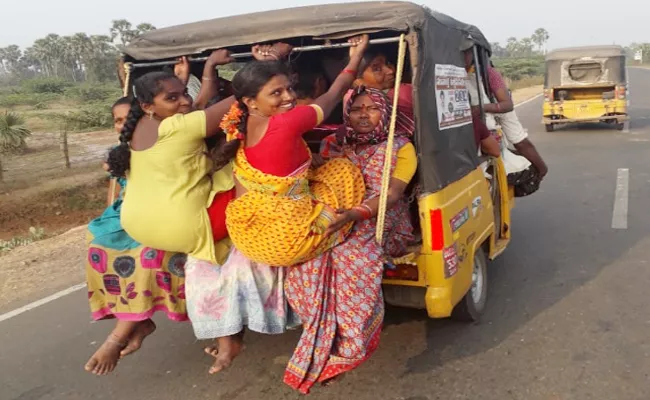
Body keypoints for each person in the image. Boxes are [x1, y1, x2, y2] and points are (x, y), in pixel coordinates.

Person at [284, 87, 417, 394]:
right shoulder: (333, 143)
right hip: (336, 214)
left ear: (385, 113)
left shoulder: (400, 147)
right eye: (357, 108)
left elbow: (392, 194)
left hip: (380, 220)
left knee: (350, 260)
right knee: (305, 260)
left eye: (372, 108)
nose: (364, 115)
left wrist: (352, 216)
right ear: (346, 113)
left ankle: (349, 347)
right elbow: (320, 180)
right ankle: (320, 333)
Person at [214, 35, 371, 267]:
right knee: (342, 170)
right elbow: (333, 94)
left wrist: (266, 66)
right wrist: (355, 58)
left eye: (289, 88)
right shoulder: (287, 123)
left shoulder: (235, 123)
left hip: (250, 235)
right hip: (286, 240)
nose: (289, 97)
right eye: (276, 93)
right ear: (251, 101)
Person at [84, 97, 189, 376]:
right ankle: (137, 320)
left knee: (148, 255)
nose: (122, 125)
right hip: (131, 212)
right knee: (97, 248)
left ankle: (119, 336)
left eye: (126, 119)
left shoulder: (166, 141)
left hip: (166, 211)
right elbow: (116, 194)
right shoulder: (119, 154)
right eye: (117, 121)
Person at [107, 50, 236, 265]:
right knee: (248, 171)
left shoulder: (134, 126)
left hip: (136, 227)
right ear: (147, 106)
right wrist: (268, 66)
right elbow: (243, 96)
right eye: (172, 98)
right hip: (183, 230)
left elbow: (197, 105)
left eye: (185, 93)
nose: (186, 101)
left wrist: (208, 67)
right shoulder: (178, 127)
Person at [462, 45, 548, 196]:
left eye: (465, 53)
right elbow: (519, 141)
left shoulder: (487, 75)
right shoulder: (481, 74)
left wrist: (480, 108)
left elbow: (507, 106)